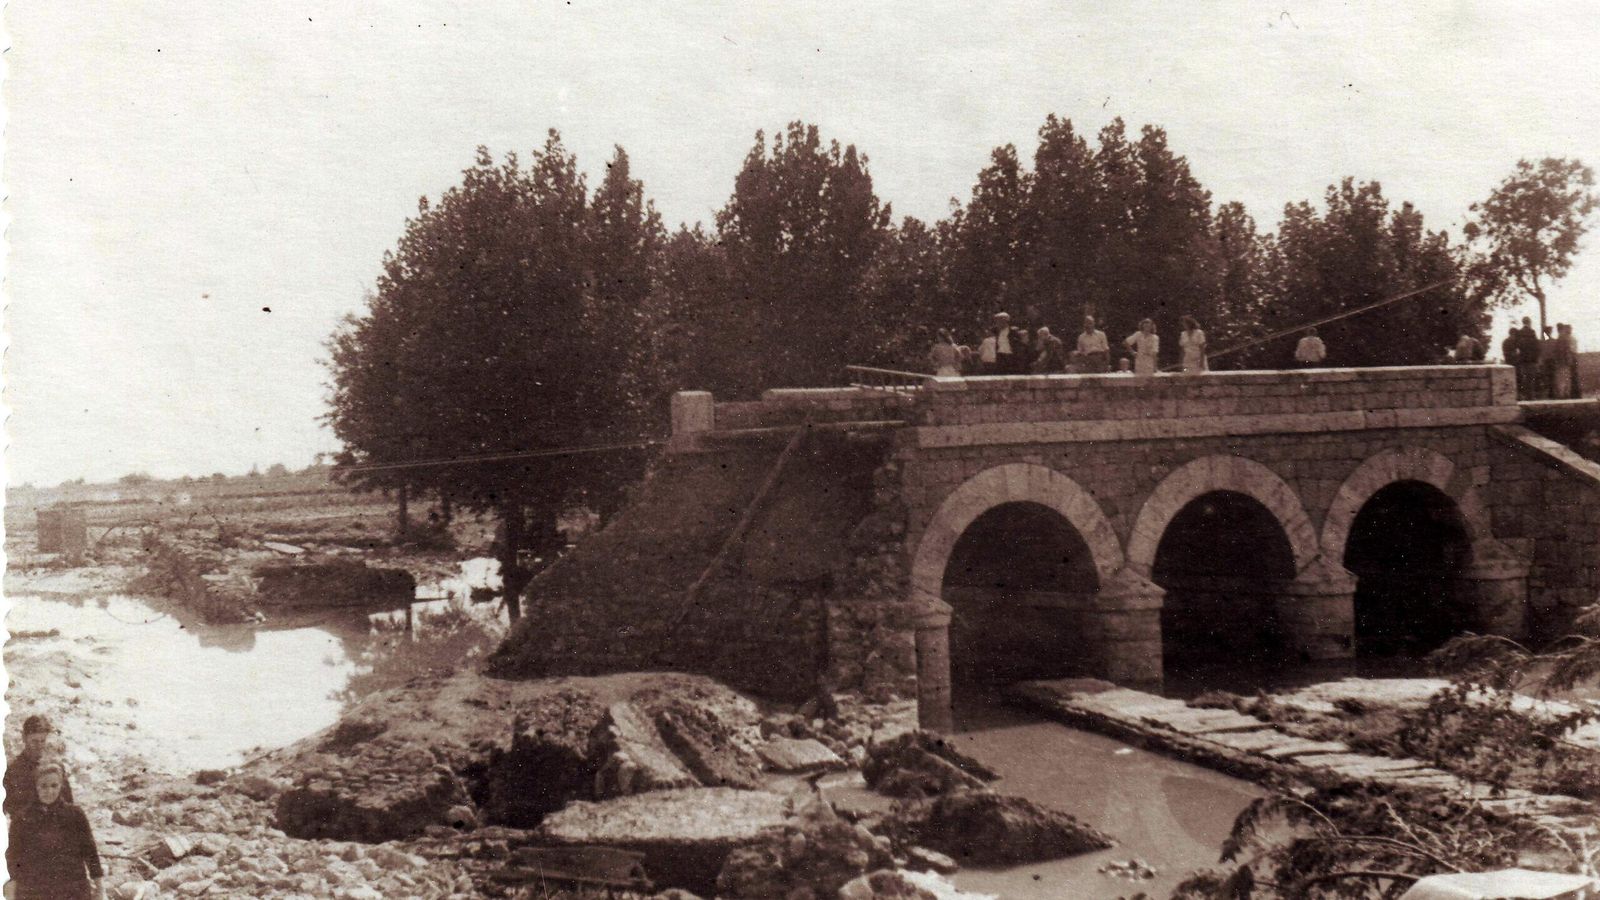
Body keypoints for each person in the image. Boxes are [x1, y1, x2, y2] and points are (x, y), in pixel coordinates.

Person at [5, 759, 104, 900]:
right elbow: (14, 857)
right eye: (43, 786)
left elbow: (90, 851)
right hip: (35, 891)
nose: (49, 791)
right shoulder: (22, 819)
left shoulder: (75, 815)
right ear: (35, 787)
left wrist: (100, 889)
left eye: (54, 785)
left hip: (73, 890)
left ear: (61, 786)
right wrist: (10, 893)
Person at [4, 715, 72, 818]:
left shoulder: (55, 767)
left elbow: (68, 803)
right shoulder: (12, 770)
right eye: (34, 741)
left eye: (42, 741)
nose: (39, 746)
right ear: (24, 738)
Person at [1513, 317, 1542, 399]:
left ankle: (1525, 395)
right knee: (1531, 378)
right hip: (1532, 359)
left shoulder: (1519, 332)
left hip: (1523, 359)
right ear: (1529, 322)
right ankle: (1531, 395)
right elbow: (1536, 346)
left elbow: (1516, 345)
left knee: (1524, 378)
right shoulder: (1532, 332)